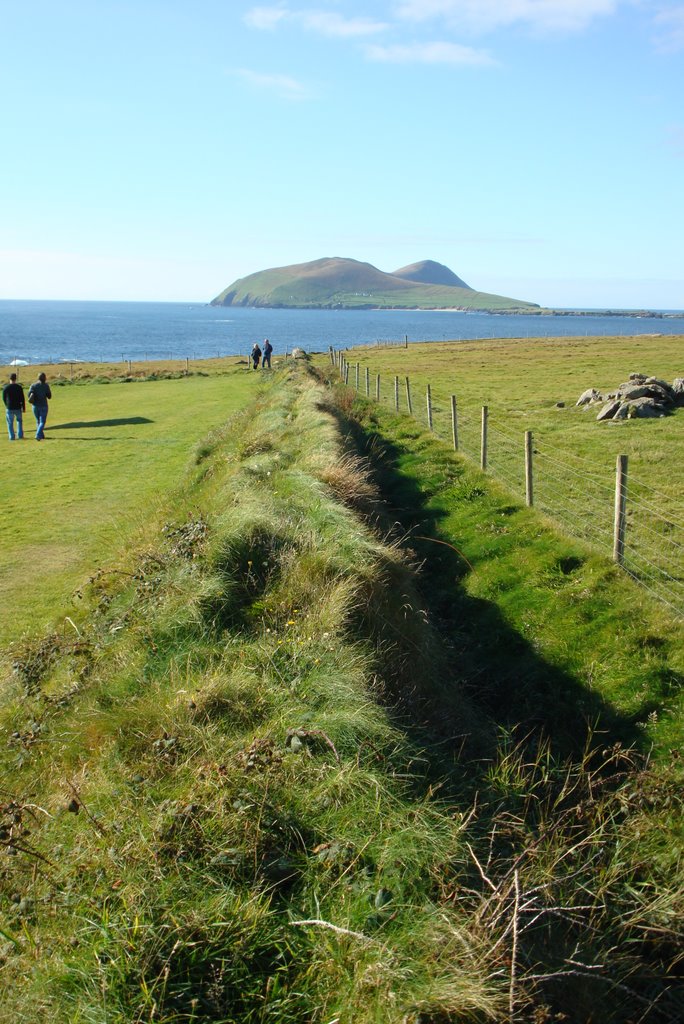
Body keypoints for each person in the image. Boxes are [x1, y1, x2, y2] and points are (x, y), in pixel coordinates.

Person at [27, 372, 52, 440]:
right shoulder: (46, 386)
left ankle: (41, 435)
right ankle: (38, 435)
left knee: (38, 421)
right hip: (43, 405)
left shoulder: (33, 385)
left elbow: (29, 395)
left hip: (35, 406)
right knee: (42, 422)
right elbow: (49, 396)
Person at [3, 372, 25, 441]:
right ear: (16, 379)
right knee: (19, 421)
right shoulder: (19, 387)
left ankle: (12, 436)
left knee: (10, 422)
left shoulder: (6, 388)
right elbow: (22, 398)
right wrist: (23, 407)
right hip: (18, 407)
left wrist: (6, 405)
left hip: (9, 407)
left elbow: (3, 398)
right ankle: (20, 435)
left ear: (10, 379)